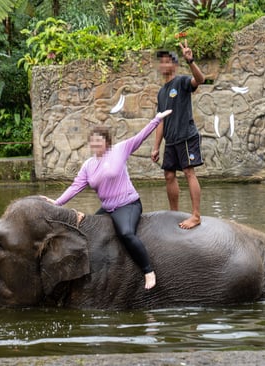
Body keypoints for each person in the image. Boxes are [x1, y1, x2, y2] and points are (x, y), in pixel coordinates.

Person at [44, 109, 172, 290]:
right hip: (108, 208)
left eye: (99, 141)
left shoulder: (119, 150)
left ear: (107, 142)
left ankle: (148, 271)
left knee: (126, 233)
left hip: (127, 204)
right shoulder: (88, 165)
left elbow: (140, 137)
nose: (96, 144)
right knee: (85, 230)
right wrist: (57, 202)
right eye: (93, 141)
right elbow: (75, 187)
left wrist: (156, 120)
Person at [152, 41, 206, 230]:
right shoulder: (161, 93)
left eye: (168, 61)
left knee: (189, 172)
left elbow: (200, 80)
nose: (164, 65)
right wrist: (156, 146)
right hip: (171, 140)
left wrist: (191, 61)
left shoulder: (182, 82)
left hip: (186, 136)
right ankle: (174, 213)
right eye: (162, 62)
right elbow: (160, 121)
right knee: (168, 175)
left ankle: (196, 215)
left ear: (174, 65)